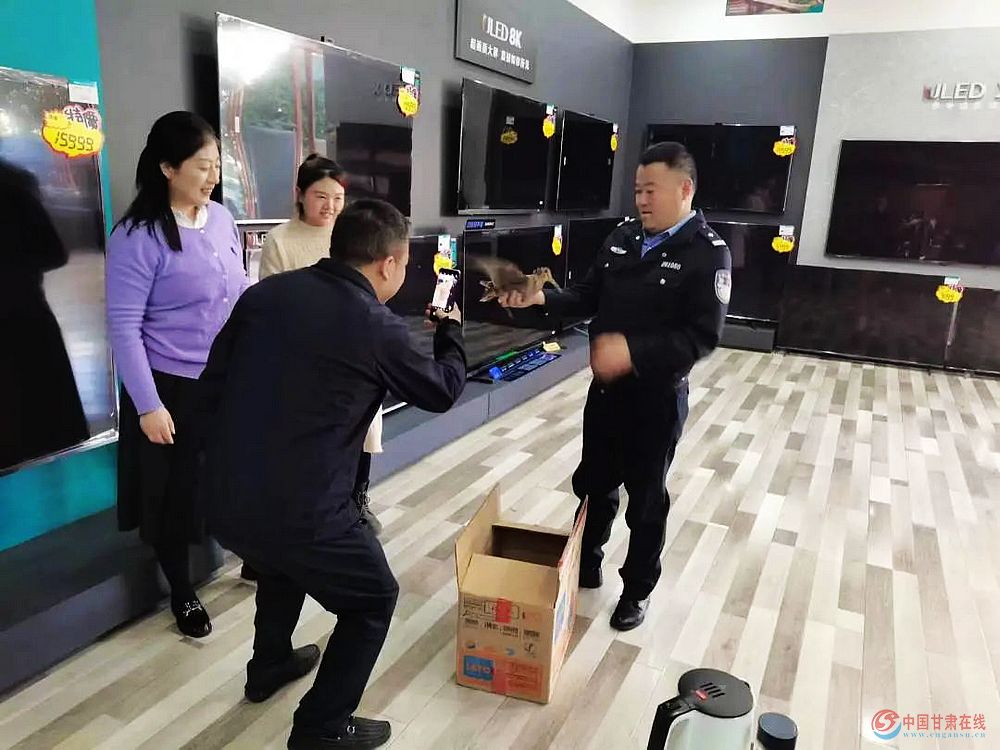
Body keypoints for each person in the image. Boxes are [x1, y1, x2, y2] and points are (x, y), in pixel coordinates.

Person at [198, 199, 466, 749]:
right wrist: (450, 332)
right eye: (405, 263)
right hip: (304, 511)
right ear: (388, 264)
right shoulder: (375, 325)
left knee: (280, 563)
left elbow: (211, 388)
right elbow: (442, 390)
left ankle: (269, 665)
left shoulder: (265, 295)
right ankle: (321, 728)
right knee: (373, 598)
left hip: (225, 500)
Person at [500, 142, 732, 631]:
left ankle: (636, 591)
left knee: (646, 503)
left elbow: (701, 337)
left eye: (651, 190)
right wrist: (541, 299)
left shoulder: (708, 254)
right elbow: (588, 296)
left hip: (656, 400)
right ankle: (586, 561)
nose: (642, 200)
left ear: (684, 189)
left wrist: (633, 352)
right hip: (605, 395)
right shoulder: (623, 236)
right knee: (593, 485)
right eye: (638, 190)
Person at [106, 111, 249, 638]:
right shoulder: (137, 236)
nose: (213, 177)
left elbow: (239, 289)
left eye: (217, 165)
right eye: (202, 167)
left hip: (223, 378)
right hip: (168, 386)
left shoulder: (221, 218)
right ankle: (182, 591)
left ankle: (249, 553)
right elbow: (123, 327)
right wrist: (148, 405)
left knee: (226, 475)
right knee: (171, 494)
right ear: (168, 168)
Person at [257, 155, 384, 535]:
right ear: (300, 194)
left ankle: (358, 498)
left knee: (364, 426)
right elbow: (271, 301)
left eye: (338, 198)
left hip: (353, 350)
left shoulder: (352, 236)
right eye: (320, 196)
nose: (330, 206)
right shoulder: (281, 239)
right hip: (302, 357)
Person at [0, 158, 89, 469]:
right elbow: (54, 252)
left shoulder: (13, 185)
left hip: (24, 319)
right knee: (45, 420)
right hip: (28, 317)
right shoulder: (15, 185)